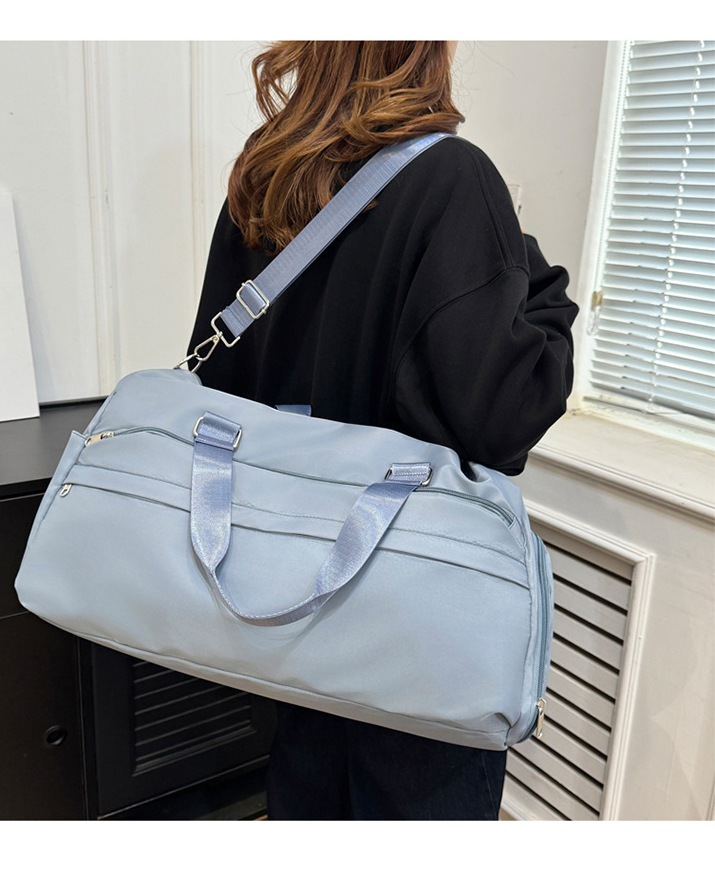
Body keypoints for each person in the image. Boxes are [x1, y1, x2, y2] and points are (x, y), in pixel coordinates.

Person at [187, 41, 579, 821]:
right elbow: (503, 419)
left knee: (308, 795)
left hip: (286, 595)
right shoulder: (454, 177)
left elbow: (218, 386)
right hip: (416, 617)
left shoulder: (267, 177)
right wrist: (542, 287)